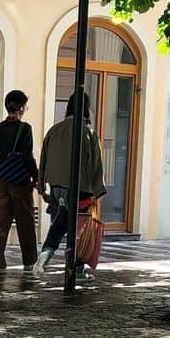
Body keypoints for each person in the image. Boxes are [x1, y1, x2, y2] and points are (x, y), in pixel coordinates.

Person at [33, 91, 106, 279]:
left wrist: (42, 186)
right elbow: (95, 163)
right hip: (79, 188)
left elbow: (44, 158)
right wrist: (97, 191)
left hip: (56, 187)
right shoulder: (88, 132)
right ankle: (78, 270)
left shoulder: (55, 130)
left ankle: (44, 256)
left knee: (59, 224)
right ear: (87, 109)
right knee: (81, 230)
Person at [0, 90, 39, 271]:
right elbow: (27, 155)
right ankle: (30, 261)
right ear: (20, 108)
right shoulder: (25, 128)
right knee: (25, 222)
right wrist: (37, 176)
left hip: (2, 177)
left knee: (0, 222)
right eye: (25, 105)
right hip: (20, 180)